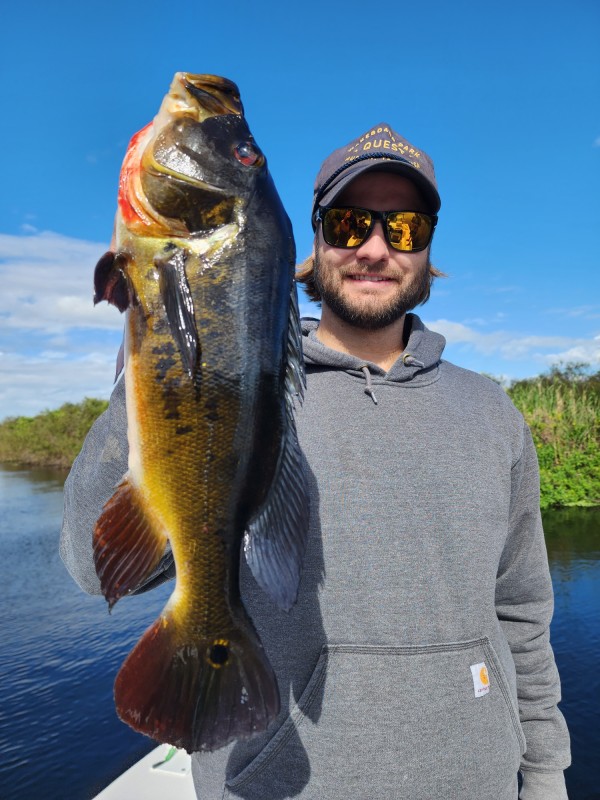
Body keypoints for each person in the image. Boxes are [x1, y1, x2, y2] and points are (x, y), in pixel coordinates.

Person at [60, 122, 571, 800]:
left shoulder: (493, 415)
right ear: (314, 237)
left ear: (428, 248)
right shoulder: (245, 397)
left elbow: (523, 618)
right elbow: (93, 571)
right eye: (351, 222)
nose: (376, 248)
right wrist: (157, 359)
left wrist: (544, 776)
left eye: (406, 228)